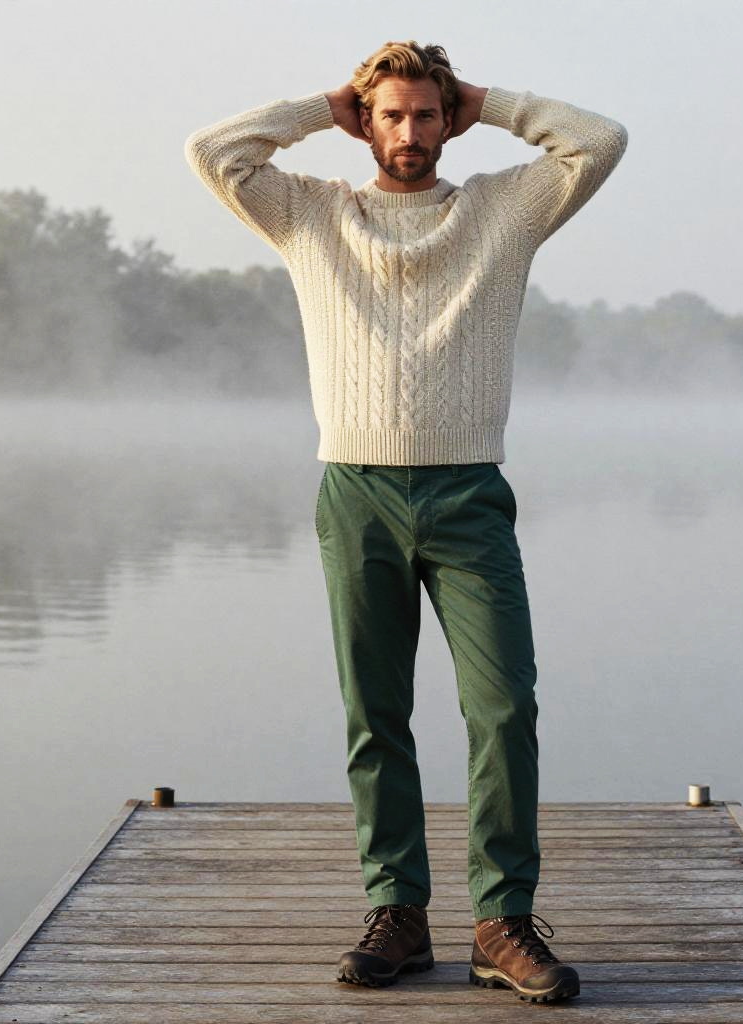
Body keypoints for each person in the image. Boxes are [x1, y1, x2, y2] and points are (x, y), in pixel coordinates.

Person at [184, 39, 627, 1003]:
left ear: (448, 118)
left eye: (427, 113)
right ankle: (399, 913)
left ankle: (501, 923)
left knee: (503, 707)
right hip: (357, 492)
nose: (410, 132)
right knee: (375, 712)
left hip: (469, 494)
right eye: (391, 114)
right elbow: (214, 152)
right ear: (367, 123)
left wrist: (488, 99)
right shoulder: (311, 214)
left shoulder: (503, 211)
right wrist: (322, 105)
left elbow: (598, 140)